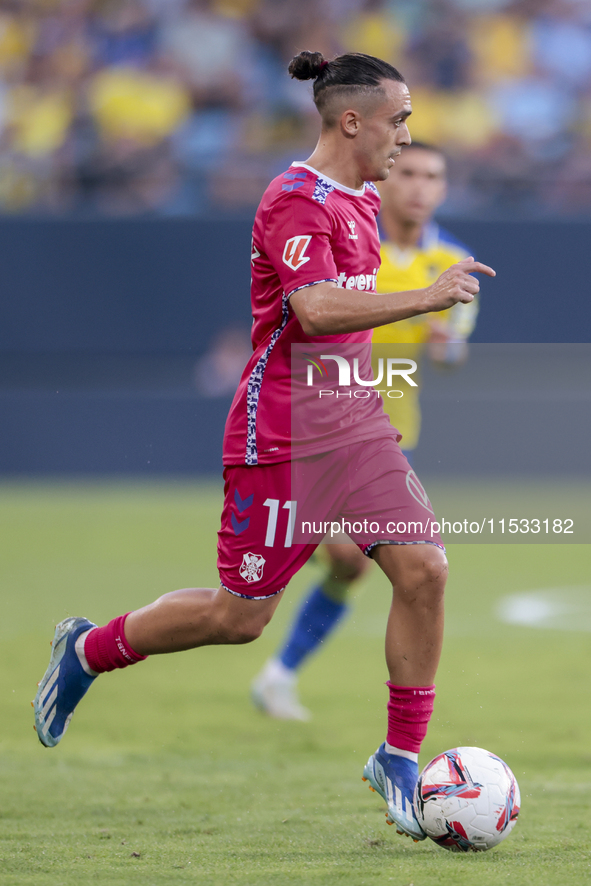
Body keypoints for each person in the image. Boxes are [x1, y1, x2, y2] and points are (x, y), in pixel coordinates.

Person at [34, 51, 494, 842]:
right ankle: (88, 650)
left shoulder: (361, 199)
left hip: (356, 425)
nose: (406, 136)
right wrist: (429, 293)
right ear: (351, 121)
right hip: (281, 434)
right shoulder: (294, 199)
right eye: (398, 120)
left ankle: (398, 754)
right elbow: (313, 310)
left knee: (423, 569)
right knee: (238, 617)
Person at [251, 142, 478, 723]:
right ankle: (276, 661)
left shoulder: (452, 260)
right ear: (385, 178)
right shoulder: (348, 235)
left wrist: (446, 344)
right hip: (312, 428)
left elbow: (453, 351)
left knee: (351, 563)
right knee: (340, 560)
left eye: (434, 176)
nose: (420, 187)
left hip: (385, 432)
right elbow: (310, 309)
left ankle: (280, 674)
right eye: (409, 173)